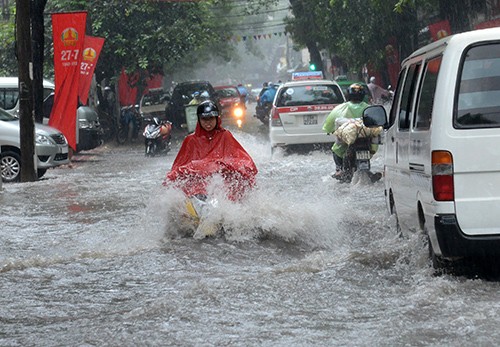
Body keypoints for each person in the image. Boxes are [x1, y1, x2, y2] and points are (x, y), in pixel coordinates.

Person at [164, 100, 258, 201]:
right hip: (198, 186)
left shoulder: (225, 136)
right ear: (199, 120)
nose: (208, 123)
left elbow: (243, 160)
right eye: (204, 119)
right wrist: (196, 168)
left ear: (217, 119)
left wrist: (220, 165)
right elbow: (178, 167)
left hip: (221, 183)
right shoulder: (190, 140)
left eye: (211, 119)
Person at [323, 83, 380, 181]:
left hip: (346, 145)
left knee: (335, 149)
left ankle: (339, 169)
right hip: (367, 142)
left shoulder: (339, 108)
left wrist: (329, 130)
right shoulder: (369, 108)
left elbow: (328, 125)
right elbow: (378, 125)